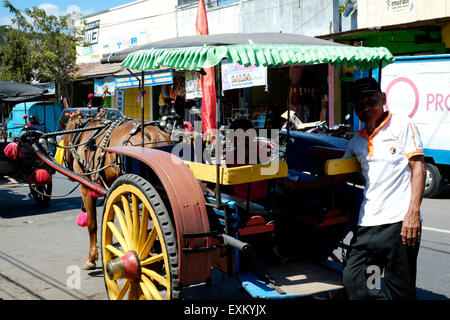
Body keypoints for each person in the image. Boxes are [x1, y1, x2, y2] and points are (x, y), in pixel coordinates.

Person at [341, 77, 425, 300]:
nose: (367, 107)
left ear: (383, 99)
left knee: (400, 289)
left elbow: (418, 167)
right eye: (360, 105)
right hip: (367, 225)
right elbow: (337, 174)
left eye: (372, 100)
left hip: (399, 224)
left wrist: (413, 215)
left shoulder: (401, 124)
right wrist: (294, 183)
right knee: (359, 281)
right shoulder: (356, 142)